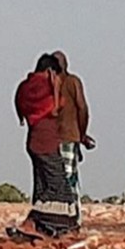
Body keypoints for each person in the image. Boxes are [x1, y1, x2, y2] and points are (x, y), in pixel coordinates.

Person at [10, 53, 79, 239]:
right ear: (50, 71)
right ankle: (33, 222)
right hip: (46, 142)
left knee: (43, 186)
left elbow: (21, 112)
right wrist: (56, 90)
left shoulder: (25, 87)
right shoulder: (45, 86)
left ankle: (50, 229)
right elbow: (55, 110)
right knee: (58, 187)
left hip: (33, 141)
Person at [52, 50, 95, 222]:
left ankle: (65, 216)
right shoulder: (71, 82)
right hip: (70, 136)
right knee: (69, 178)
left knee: (61, 178)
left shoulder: (58, 83)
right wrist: (82, 134)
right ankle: (71, 216)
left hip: (60, 137)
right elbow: (82, 108)